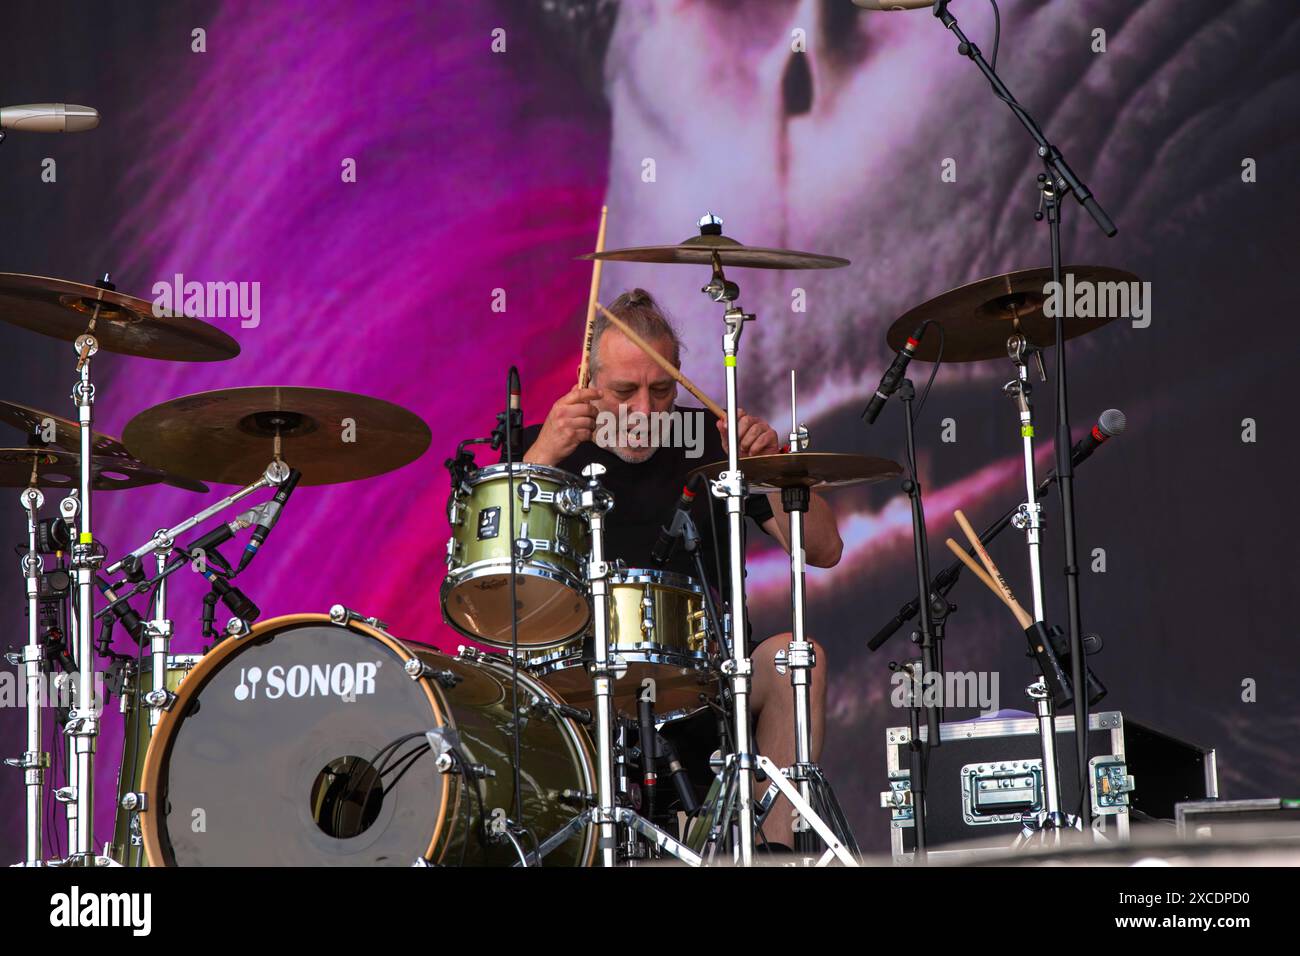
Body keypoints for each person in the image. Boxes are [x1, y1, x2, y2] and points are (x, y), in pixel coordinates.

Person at [520, 288, 843, 850]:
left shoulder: (711, 447)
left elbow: (824, 548)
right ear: (588, 379)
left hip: (708, 683)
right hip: (572, 687)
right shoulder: (543, 445)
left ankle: (770, 854)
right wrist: (542, 458)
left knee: (801, 659)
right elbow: (496, 568)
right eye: (625, 391)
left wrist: (771, 468)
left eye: (662, 389)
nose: (646, 410)